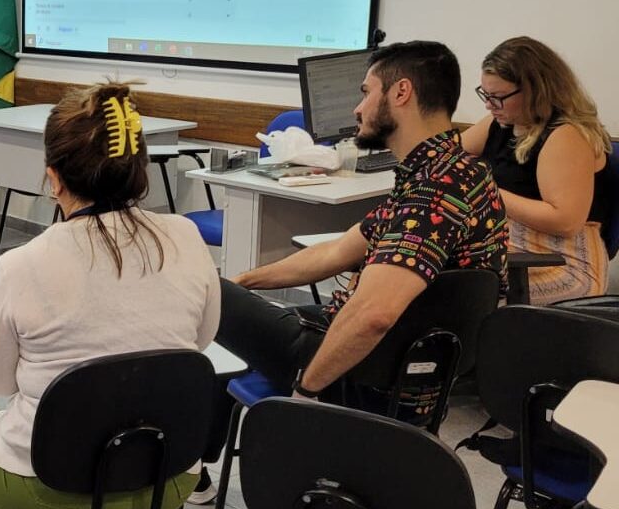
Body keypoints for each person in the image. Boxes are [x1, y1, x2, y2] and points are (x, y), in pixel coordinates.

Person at [0, 83, 220, 509]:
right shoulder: (187, 237)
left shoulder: (22, 264)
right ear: (140, 168)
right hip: (164, 485)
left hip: (48, 491)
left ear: (54, 178)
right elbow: (201, 343)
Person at [215, 40, 507, 399]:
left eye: (366, 92)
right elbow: (335, 252)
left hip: (367, 370)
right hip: (396, 362)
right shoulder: (457, 171)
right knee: (229, 296)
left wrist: (305, 390)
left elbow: (374, 315)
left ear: (401, 92)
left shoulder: (432, 193)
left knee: (209, 295)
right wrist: (245, 281)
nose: (358, 108)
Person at [461, 36, 612, 304]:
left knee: (454, 296)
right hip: (510, 250)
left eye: (498, 97)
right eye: (486, 94)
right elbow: (447, 157)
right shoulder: (501, 123)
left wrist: (486, 190)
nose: (489, 105)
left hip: (563, 264)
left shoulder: (567, 136)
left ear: (535, 91)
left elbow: (565, 221)